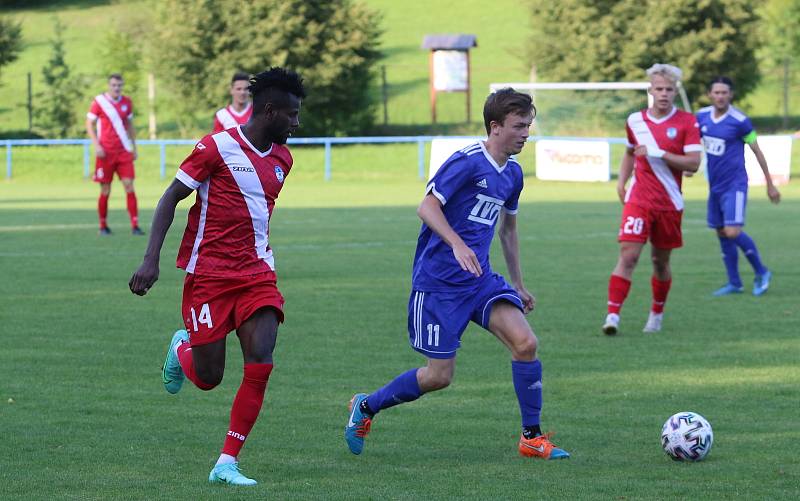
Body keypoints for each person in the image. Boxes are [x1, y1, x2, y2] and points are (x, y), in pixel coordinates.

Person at [344, 88, 570, 461]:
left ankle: (531, 437)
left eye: (529, 125)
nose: (526, 133)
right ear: (495, 127)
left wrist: (517, 282)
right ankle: (366, 406)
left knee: (526, 343)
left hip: (480, 280)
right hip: (438, 285)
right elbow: (427, 207)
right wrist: (456, 243)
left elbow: (508, 230)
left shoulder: (513, 174)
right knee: (439, 377)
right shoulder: (466, 162)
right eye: (518, 126)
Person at [129, 67, 305, 486]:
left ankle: (226, 462)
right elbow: (171, 197)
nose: (297, 123)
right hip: (208, 275)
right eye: (292, 114)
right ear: (269, 111)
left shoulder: (284, 158)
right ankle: (182, 347)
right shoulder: (215, 147)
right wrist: (151, 259)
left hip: (257, 273)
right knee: (209, 379)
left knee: (261, 360)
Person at [602, 64, 702, 335]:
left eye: (669, 89)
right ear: (651, 90)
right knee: (629, 255)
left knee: (660, 262)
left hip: (669, 202)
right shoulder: (635, 120)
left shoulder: (687, 122)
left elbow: (693, 164)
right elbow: (631, 152)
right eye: (659, 89)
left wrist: (659, 153)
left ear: (675, 92)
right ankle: (612, 316)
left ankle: (656, 313)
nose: (664, 94)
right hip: (639, 199)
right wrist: (622, 181)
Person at [696, 76, 781, 296]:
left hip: (735, 184)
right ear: (710, 95)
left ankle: (762, 271)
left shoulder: (740, 120)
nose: (721, 96)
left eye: (725, 92)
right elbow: (693, 143)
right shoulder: (701, 117)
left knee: (732, 231)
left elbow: (757, 150)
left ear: (731, 95)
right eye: (717, 92)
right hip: (714, 186)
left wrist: (770, 184)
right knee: (721, 232)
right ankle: (734, 282)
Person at [86, 73, 144, 235]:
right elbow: (89, 123)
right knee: (105, 189)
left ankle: (135, 225)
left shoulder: (127, 102)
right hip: (105, 153)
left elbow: (130, 125)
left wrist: (134, 147)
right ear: (108, 86)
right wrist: (96, 144)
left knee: (129, 185)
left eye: (119, 85)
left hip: (124, 151)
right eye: (113, 85)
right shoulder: (99, 102)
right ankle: (103, 226)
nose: (116, 88)